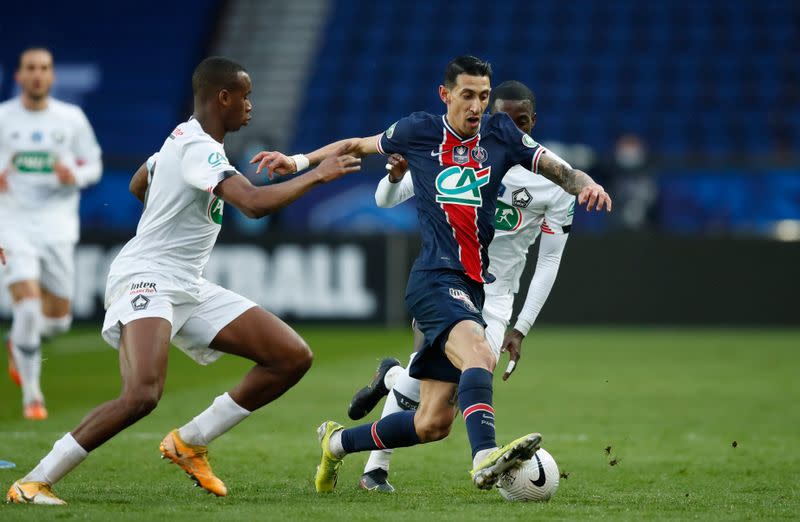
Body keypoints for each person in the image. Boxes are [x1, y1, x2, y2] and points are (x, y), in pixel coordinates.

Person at [6, 56, 360, 505]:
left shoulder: (183, 139)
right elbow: (251, 204)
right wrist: (317, 175)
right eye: (245, 96)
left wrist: (165, 209)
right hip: (147, 277)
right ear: (223, 97)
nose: (251, 105)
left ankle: (190, 441)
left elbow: (142, 181)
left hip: (186, 282)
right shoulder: (200, 149)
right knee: (142, 395)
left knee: (290, 356)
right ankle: (33, 480)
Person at [254, 56, 611, 493]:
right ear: (446, 95)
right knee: (480, 355)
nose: (477, 105)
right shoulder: (418, 132)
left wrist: (586, 184)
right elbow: (358, 145)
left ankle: (337, 442)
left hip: (475, 289)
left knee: (432, 422)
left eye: (483, 96)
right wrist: (297, 161)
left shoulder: (501, 135)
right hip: (435, 278)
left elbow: (561, 170)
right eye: (468, 95)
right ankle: (483, 457)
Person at [348, 80, 577, 492]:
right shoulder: (459, 155)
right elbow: (385, 198)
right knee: (430, 379)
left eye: (520, 122)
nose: (509, 130)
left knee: (443, 412)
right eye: (500, 120)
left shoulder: (553, 181)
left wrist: (521, 327)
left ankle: (389, 379)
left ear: (532, 123)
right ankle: (376, 469)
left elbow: (550, 258)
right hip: (446, 278)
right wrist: (393, 174)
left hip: (496, 298)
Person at [0, 47, 102, 420]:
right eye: (31, 68)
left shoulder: (71, 118)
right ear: (19, 76)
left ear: (52, 76)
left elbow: (94, 165)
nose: (38, 74)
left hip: (58, 227)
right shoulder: (3, 119)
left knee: (58, 322)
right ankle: (32, 396)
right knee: (26, 305)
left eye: (44, 68)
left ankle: (20, 341)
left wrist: (73, 175)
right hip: (12, 224)